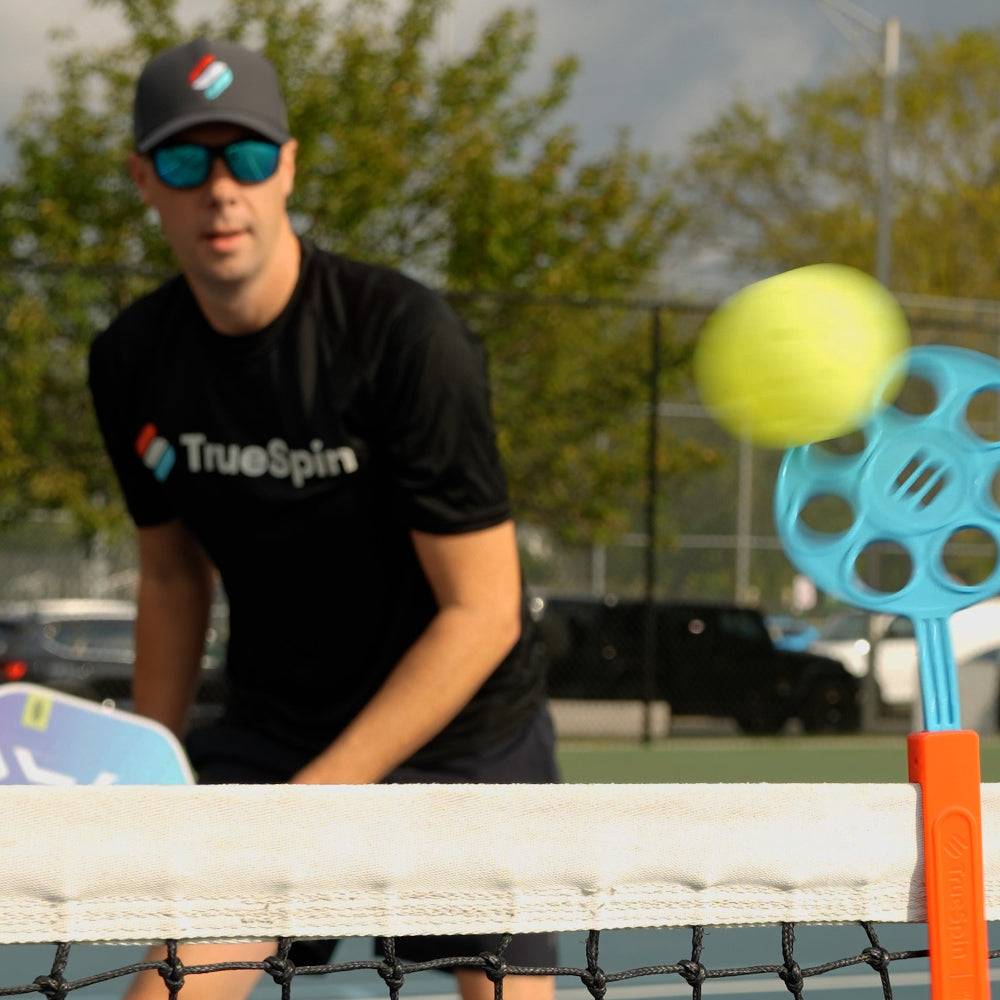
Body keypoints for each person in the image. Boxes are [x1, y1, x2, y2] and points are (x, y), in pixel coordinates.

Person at [87, 37, 558, 1000]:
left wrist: (313, 807)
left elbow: (483, 612)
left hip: (463, 737)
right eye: (185, 160)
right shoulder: (132, 359)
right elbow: (174, 577)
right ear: (146, 179)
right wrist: (148, 772)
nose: (221, 189)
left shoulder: (404, 340)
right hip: (278, 725)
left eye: (248, 156)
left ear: (287, 166)